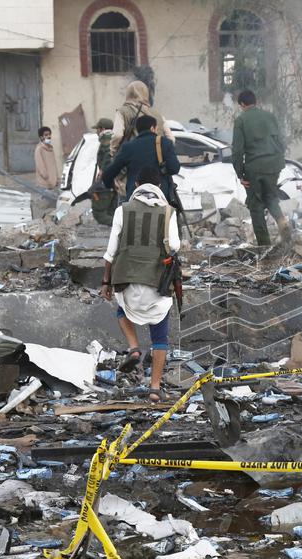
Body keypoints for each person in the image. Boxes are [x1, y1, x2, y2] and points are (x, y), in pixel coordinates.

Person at [101, 166, 180, 403]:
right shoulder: (169, 213)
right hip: (157, 283)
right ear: (159, 189)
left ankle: (134, 347)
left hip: (126, 282)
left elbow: (110, 253)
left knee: (121, 310)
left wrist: (106, 281)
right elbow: (175, 246)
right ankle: (155, 388)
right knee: (160, 337)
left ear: (136, 186)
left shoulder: (122, 210)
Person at [231, 90, 291, 247]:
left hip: (255, 168)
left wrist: (240, 174)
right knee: (270, 197)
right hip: (275, 164)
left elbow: (237, 151)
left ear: (242, 104)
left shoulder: (241, 120)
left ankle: (264, 245)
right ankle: (282, 221)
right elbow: (280, 141)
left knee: (255, 204)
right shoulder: (270, 116)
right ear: (255, 101)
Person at [102, 115, 181, 203]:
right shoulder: (165, 143)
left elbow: (109, 173)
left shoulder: (129, 147)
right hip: (160, 197)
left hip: (135, 197)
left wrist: (110, 184)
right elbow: (174, 168)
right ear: (152, 128)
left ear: (138, 129)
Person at [110, 80, 173, 157]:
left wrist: (112, 151)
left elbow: (117, 135)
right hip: (155, 163)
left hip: (131, 161)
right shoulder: (158, 115)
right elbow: (171, 139)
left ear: (128, 94)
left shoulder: (122, 112)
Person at [90, 118, 117, 225]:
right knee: (111, 211)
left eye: (97, 129)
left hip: (107, 180)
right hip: (113, 182)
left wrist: (102, 171)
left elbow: (108, 154)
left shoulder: (107, 138)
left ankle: (121, 226)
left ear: (103, 129)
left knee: (99, 213)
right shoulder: (114, 138)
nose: (96, 131)